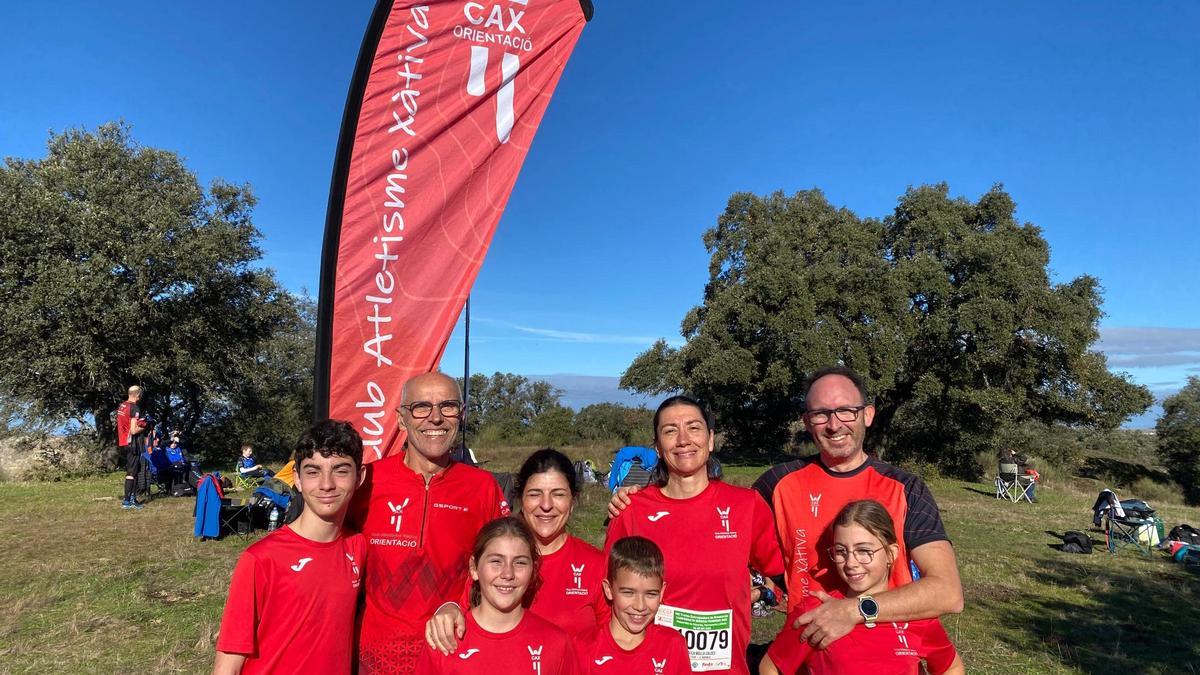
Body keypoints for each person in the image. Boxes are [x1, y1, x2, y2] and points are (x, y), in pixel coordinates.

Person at [752, 366, 963, 649]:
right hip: (807, 653)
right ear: (806, 421)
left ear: (868, 414)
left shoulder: (905, 487)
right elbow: (727, 546)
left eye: (846, 411)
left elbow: (947, 592)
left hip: (889, 655)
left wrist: (853, 610)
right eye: (820, 414)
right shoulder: (776, 484)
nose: (834, 424)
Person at [605, 395, 783, 675]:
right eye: (670, 430)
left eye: (694, 427)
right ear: (658, 448)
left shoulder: (746, 505)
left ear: (710, 440)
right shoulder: (632, 510)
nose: (683, 439)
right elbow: (606, 598)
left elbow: (787, 575)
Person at [351, 371, 510, 674]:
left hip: (454, 651)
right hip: (374, 656)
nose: (435, 418)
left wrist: (461, 604)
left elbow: (506, 564)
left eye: (447, 406)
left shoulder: (483, 487)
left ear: (460, 415)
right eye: (421, 407)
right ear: (401, 419)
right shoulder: (367, 481)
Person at [212, 419, 368, 674]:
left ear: (359, 476)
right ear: (296, 478)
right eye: (313, 472)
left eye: (340, 470)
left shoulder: (358, 547)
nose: (326, 484)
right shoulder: (261, 559)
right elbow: (228, 660)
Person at [426, 449, 608, 653]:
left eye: (558, 494)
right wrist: (449, 609)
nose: (546, 505)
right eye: (534, 494)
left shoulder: (597, 565)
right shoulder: (495, 560)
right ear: (521, 499)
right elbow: (463, 611)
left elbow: (615, 644)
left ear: (573, 502)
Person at [759, 500, 964, 674]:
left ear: (891, 553)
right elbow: (771, 667)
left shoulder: (916, 615)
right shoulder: (815, 612)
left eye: (864, 550)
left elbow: (951, 667)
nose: (851, 563)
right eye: (841, 551)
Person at [416, 516, 578, 674]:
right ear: (474, 568)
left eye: (520, 562)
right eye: (496, 561)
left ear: (533, 570)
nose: (508, 574)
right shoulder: (444, 639)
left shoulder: (556, 643)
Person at [574, 535, 691, 674]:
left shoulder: (672, 644)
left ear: (662, 592)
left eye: (651, 594)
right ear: (608, 589)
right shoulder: (583, 648)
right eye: (628, 593)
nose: (640, 606)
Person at [116, 385, 147, 510]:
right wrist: (145, 426)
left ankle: (131, 498)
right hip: (132, 442)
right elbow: (134, 430)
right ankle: (128, 500)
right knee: (132, 472)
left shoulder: (122, 406)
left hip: (123, 441)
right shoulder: (134, 408)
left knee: (132, 470)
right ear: (137, 395)